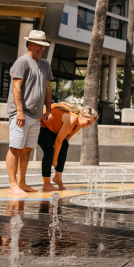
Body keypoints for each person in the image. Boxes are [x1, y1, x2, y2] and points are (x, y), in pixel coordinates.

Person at [6, 30, 53, 196]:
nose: (41, 48)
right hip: (21, 113)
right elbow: (16, 87)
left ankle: (22, 183)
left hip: (36, 114)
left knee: (27, 150)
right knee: (15, 148)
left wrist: (48, 109)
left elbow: (47, 88)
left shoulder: (45, 64)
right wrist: (19, 112)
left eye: (43, 45)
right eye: (38, 45)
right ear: (30, 44)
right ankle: (13, 185)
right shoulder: (22, 62)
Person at [38, 103, 98, 191]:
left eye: (91, 123)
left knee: (64, 145)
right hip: (41, 122)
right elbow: (58, 141)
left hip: (52, 127)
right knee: (49, 151)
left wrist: (60, 155)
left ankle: (57, 178)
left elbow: (65, 140)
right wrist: (55, 159)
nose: (88, 125)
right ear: (82, 116)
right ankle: (46, 184)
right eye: (88, 121)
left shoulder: (79, 124)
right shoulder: (72, 120)